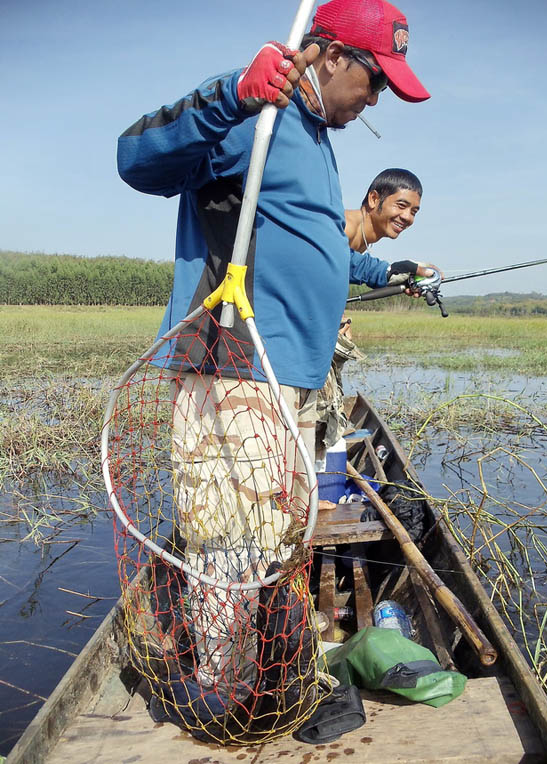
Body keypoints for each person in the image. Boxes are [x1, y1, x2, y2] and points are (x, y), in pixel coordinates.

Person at [117, 0, 430, 689]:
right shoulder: (257, 117)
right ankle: (225, 692)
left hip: (292, 380)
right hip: (237, 366)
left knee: (276, 536)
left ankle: (263, 674)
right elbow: (136, 158)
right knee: (230, 544)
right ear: (331, 55)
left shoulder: (317, 140)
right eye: (375, 81)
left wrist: (392, 274)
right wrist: (229, 94)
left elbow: (322, 246)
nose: (376, 98)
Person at [316, 168, 440, 466]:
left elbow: (333, 277)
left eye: (414, 211)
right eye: (401, 206)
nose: (408, 218)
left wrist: (399, 278)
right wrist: (389, 272)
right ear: (374, 199)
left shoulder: (359, 240)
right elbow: (327, 264)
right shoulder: (343, 226)